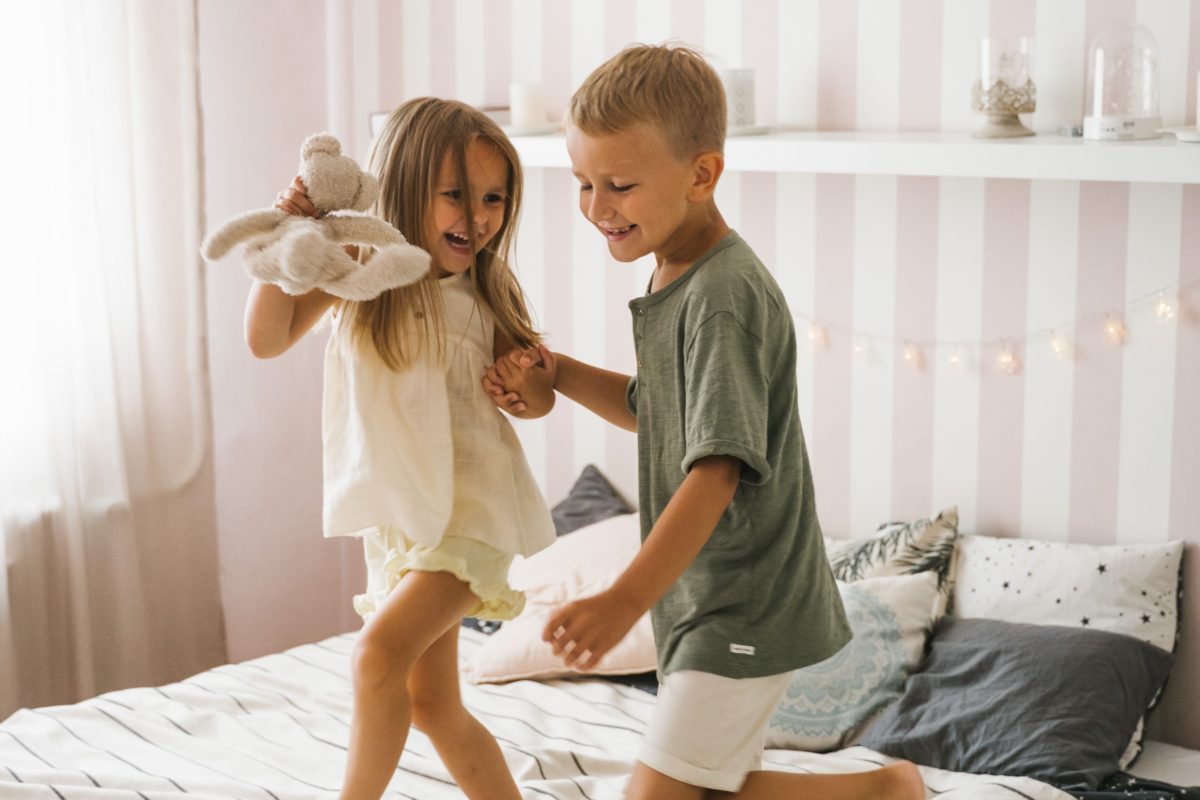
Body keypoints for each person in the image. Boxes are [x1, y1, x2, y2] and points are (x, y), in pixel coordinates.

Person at [484, 45, 924, 800]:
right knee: (704, 788)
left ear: (701, 174)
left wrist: (625, 598)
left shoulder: (722, 297)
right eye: (583, 184)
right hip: (705, 595)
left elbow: (714, 470)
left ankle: (884, 791)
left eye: (619, 185)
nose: (597, 207)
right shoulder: (677, 271)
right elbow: (664, 414)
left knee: (658, 795)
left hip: (743, 596)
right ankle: (879, 793)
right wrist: (559, 374)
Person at [246, 97, 556, 800]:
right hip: (401, 520)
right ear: (408, 186)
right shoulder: (362, 272)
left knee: (375, 657)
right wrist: (288, 231)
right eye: (455, 196)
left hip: (471, 510)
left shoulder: (487, 289)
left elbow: (541, 398)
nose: (477, 217)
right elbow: (265, 339)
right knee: (434, 706)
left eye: (493, 198)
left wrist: (522, 386)